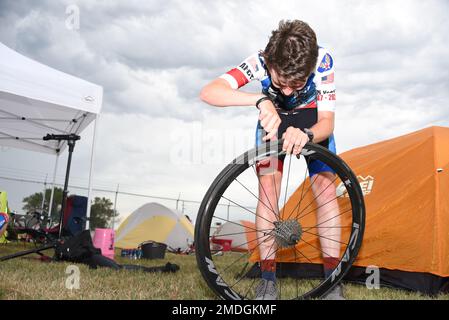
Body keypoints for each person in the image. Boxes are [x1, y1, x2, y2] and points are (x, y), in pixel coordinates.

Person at [200, 20, 343, 300]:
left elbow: (327, 122)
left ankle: (332, 282)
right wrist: (260, 100)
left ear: (311, 68)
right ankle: (267, 282)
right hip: (271, 120)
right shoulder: (260, 61)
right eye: (280, 82)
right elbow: (209, 92)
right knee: (268, 194)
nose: (288, 92)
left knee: (325, 192)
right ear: (270, 61)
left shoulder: (323, 60)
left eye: (298, 83)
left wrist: (307, 134)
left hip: (311, 121)